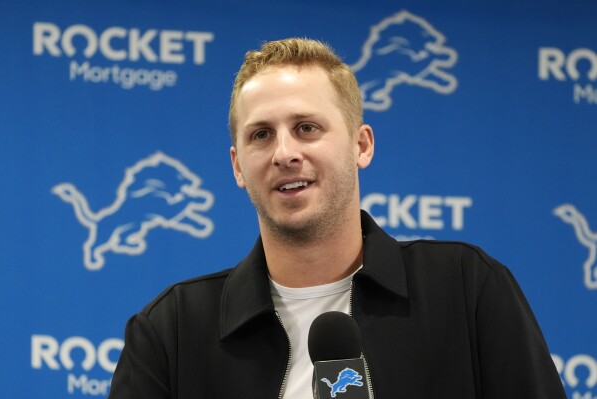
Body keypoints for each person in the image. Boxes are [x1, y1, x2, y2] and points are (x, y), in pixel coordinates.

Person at [109, 38, 566, 399]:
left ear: (361, 145)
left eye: (307, 128)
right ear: (237, 167)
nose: (285, 153)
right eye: (262, 135)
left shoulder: (467, 290)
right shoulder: (170, 332)